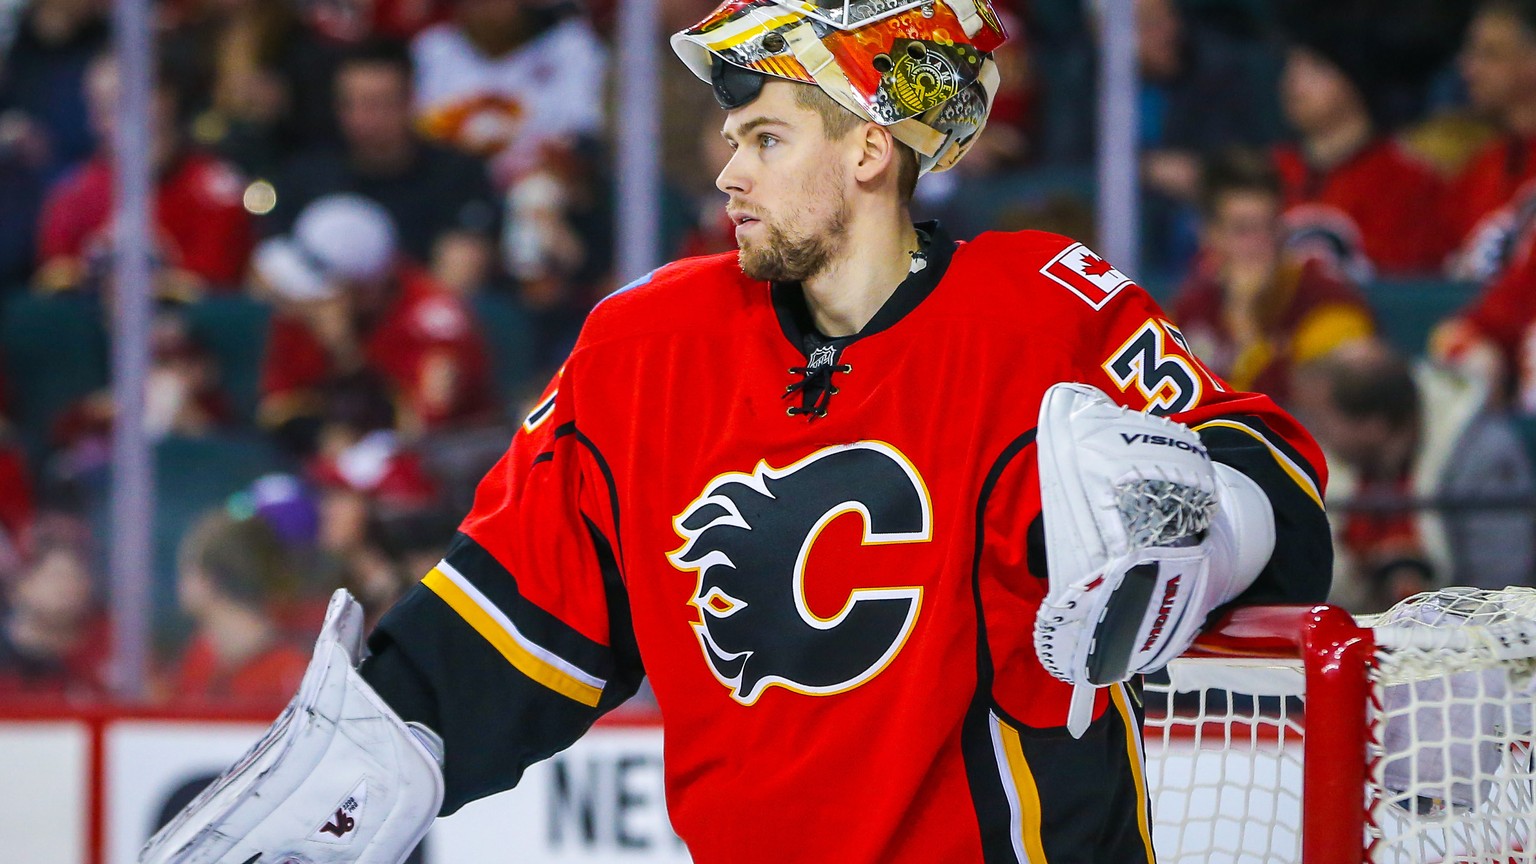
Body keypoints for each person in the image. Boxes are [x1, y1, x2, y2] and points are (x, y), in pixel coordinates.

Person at [142, 3, 1333, 863]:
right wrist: (376, 741)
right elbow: (516, 610)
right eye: (732, 141)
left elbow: (1271, 483)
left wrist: (1188, 527)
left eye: (766, 136)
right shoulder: (646, 346)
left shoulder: (1036, 309)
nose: (728, 170)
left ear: (871, 148)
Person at [1299, 340, 1535, 614]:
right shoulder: (1337, 461)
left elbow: (1501, 588)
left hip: (1461, 643)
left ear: (1373, 426)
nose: (1314, 431)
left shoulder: (1483, 456)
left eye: (1321, 419)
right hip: (1359, 632)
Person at [254, 193, 493, 451]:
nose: (300, 303)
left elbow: (423, 429)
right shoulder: (307, 308)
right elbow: (276, 406)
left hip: (446, 463)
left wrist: (346, 350)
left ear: (362, 290)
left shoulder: (433, 321)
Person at [269, 38, 501, 296]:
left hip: (418, 323)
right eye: (349, 104)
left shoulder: (457, 174)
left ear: (410, 103)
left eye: (377, 104)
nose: (361, 119)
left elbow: (458, 280)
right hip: (314, 320)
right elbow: (266, 272)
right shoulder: (307, 173)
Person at [34, 52, 254, 296]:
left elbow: (216, 298)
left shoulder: (215, 192)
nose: (105, 123)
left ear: (165, 100)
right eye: (100, 108)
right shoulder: (75, 192)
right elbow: (52, 285)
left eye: (120, 104)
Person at [1171, 150, 1376, 406]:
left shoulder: (1325, 301)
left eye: (1269, 227)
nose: (1259, 244)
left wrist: (1248, 329)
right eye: (1242, 230)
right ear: (1210, 235)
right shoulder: (1192, 307)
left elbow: (1327, 411)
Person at [1273, 25, 1453, 277]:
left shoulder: (1405, 180)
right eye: (1291, 66)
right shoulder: (1270, 169)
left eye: (1315, 67)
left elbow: (1411, 286)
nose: (1292, 80)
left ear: (1354, 81)